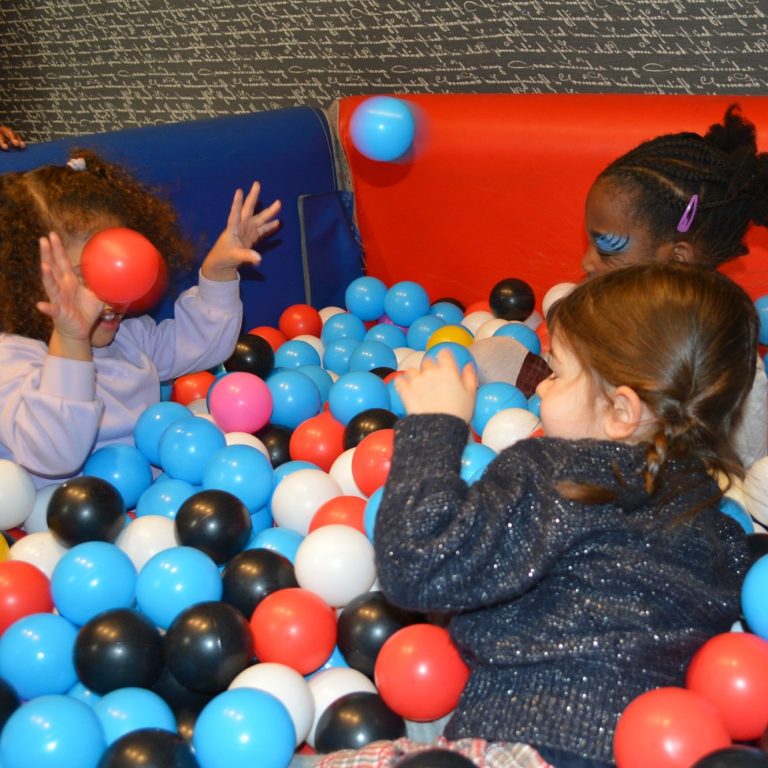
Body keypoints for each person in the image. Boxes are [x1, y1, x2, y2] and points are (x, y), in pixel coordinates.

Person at [370, 262, 753, 768]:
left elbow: (415, 565)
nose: (541, 388)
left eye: (556, 372)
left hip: (518, 744)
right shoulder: (718, 525)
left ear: (621, 411)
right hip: (656, 748)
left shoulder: (553, 474)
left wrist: (435, 425)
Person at [472, 103, 768, 468]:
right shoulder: (604, 308)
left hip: (644, 474)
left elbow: (745, 471)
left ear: (677, 257)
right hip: (583, 416)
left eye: (607, 248)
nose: (586, 262)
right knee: (487, 355)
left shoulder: (724, 362)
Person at [0, 149, 280, 488]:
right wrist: (71, 340)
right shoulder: (13, 361)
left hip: (155, 510)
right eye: (84, 276)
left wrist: (218, 271)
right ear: (27, 281)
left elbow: (205, 346)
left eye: (118, 271)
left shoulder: (129, 339)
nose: (110, 291)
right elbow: (57, 453)